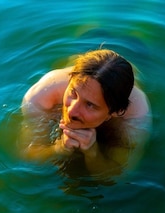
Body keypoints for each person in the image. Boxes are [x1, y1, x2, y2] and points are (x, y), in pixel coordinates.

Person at [19, 49, 151, 177]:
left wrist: (92, 152)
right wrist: (58, 149)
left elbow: (119, 176)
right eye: (73, 93)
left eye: (90, 105)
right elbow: (27, 156)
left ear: (116, 112)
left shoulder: (136, 117)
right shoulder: (41, 97)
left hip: (136, 54)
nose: (71, 111)